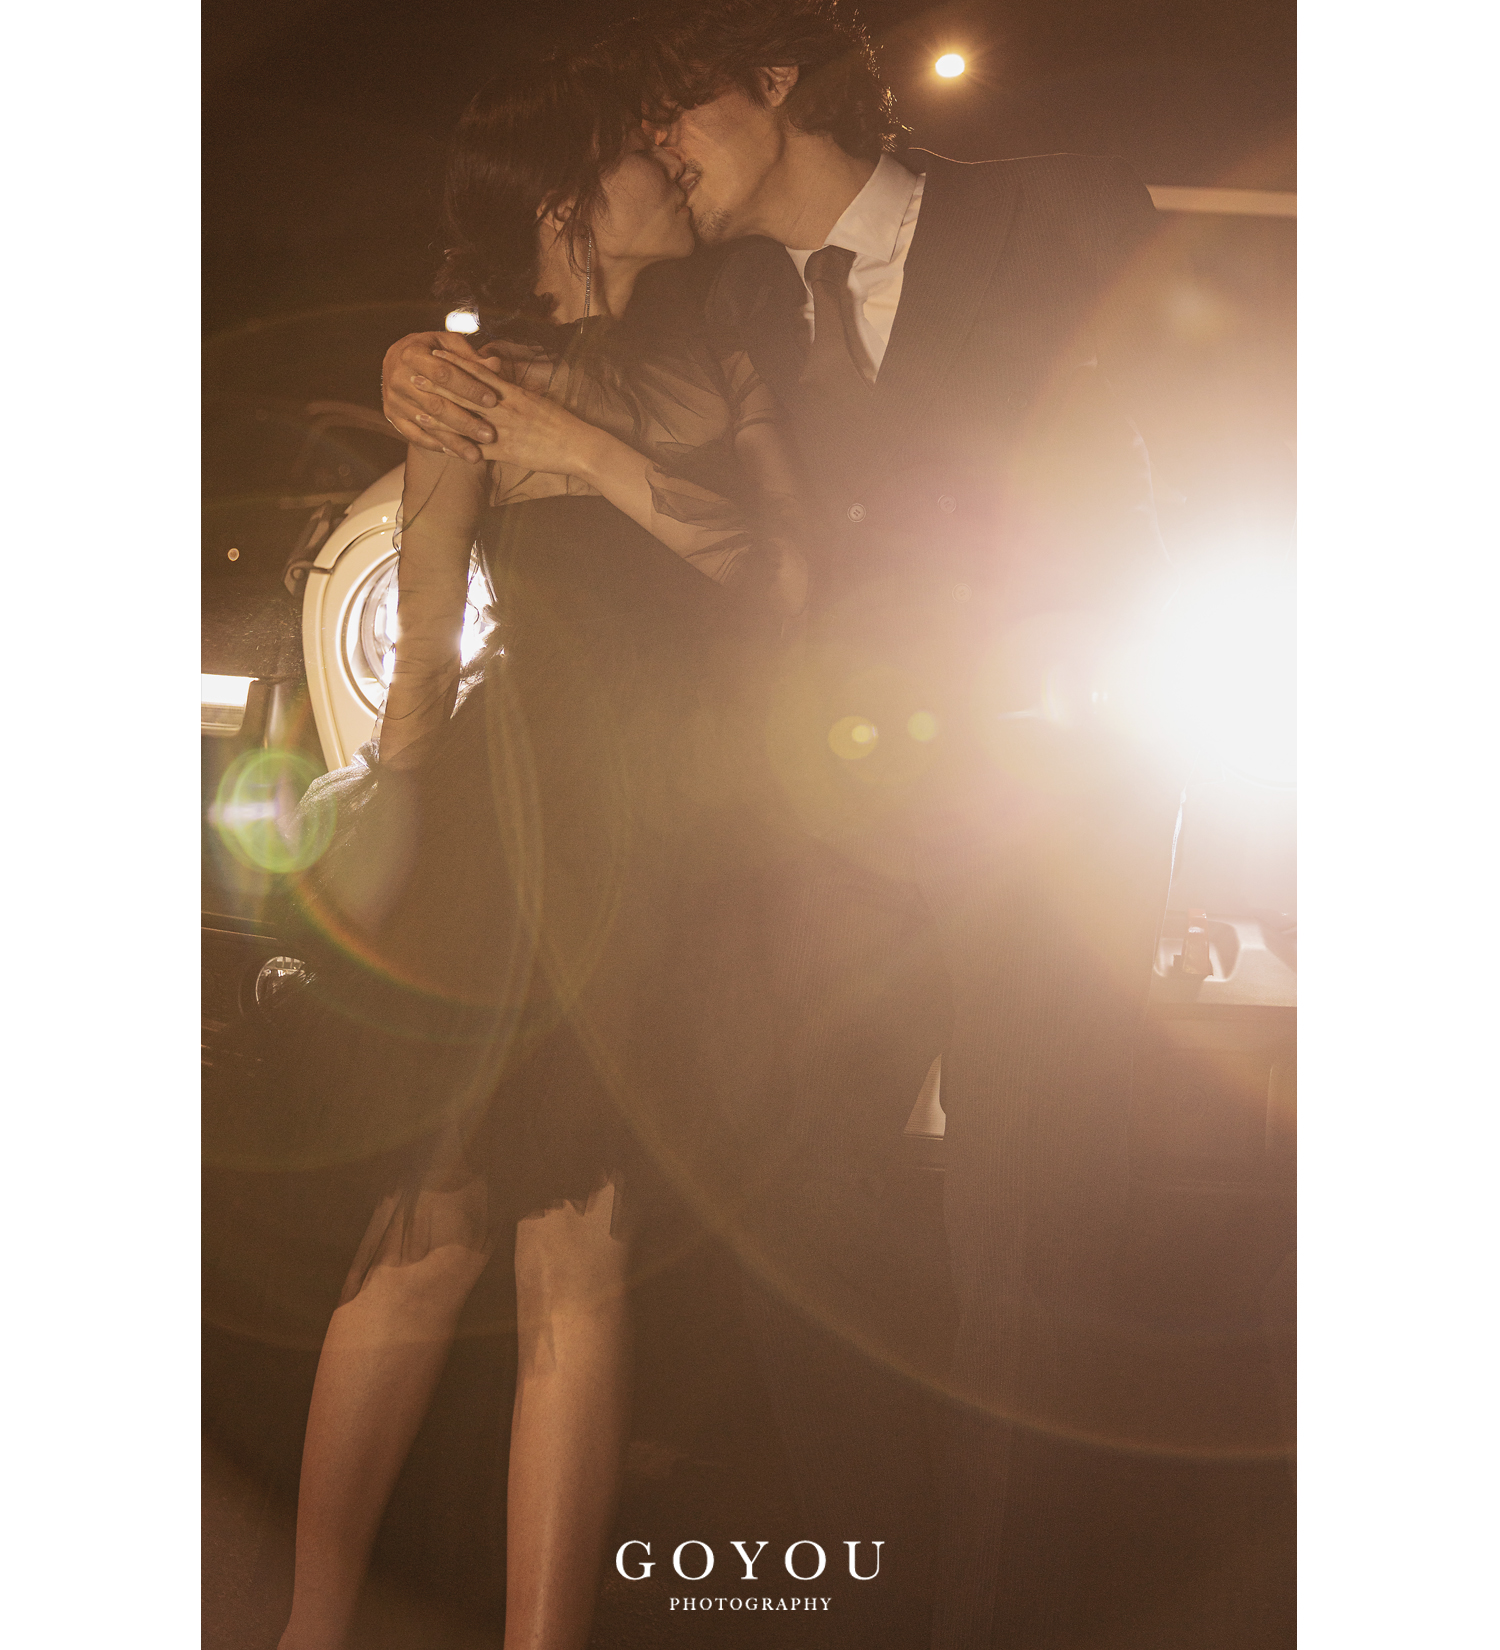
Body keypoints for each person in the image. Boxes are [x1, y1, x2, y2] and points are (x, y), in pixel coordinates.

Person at [381, 5, 1180, 1645]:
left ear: (771, 82)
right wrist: (410, 357)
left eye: (670, 113)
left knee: (1024, 1225)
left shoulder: (1054, 206)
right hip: (805, 832)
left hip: (1037, 796)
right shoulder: (718, 299)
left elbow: (1211, 420)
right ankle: (881, 1593)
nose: (654, 151)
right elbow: (552, 331)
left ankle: (1002, 1617)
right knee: (797, 1230)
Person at [275, 51, 807, 1650]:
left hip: (669, 831)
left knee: (582, 1243)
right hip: (506, 822)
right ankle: (309, 1626)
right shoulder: (462, 374)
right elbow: (429, 631)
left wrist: (581, 453)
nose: (668, 160)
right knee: (426, 1238)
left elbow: (779, 576)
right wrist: (390, 827)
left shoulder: (730, 333)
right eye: (630, 151)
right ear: (567, 200)